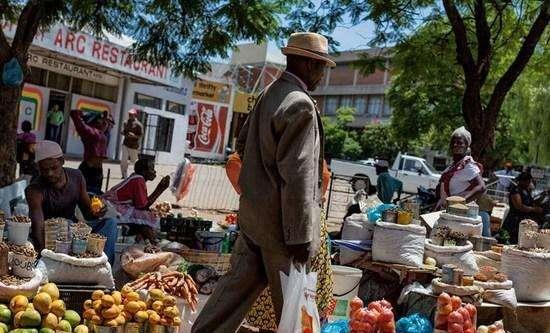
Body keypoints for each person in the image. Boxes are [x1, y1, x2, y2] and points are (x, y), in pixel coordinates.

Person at [191, 32, 335, 333]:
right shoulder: (301, 106)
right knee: (296, 315)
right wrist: (300, 238)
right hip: (283, 231)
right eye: (321, 66)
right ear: (308, 65)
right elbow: (299, 177)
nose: (323, 74)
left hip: (254, 222)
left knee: (229, 299)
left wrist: (258, 186)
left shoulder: (269, 94)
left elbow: (242, 146)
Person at [25, 140, 118, 264]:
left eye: (53, 168)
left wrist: (98, 212)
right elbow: (38, 227)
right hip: (50, 235)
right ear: (39, 168)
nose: (49, 173)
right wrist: (45, 256)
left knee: (110, 223)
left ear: (62, 161)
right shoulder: (34, 189)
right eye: (44, 170)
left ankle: (104, 266)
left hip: (73, 231)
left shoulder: (76, 177)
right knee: (64, 225)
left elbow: (87, 214)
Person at [435, 126, 488, 234]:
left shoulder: (467, 165)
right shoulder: (453, 166)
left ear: (466, 146)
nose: (455, 145)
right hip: (447, 214)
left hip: (458, 217)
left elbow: (481, 187)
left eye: (459, 143)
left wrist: (459, 203)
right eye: (453, 142)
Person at [104, 158, 170, 243]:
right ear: (143, 171)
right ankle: (153, 241)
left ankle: (149, 239)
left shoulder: (136, 178)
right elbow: (142, 206)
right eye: (152, 169)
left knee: (147, 215)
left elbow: (142, 204)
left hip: (111, 205)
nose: (154, 172)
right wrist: (160, 189)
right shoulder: (138, 180)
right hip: (112, 207)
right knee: (148, 217)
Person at [70, 109, 109, 194]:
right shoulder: (88, 131)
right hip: (89, 169)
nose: (102, 121)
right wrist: (79, 114)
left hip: (98, 170)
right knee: (85, 194)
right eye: (100, 119)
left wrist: (104, 116)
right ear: (95, 121)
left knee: (95, 195)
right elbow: (77, 120)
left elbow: (105, 124)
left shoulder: (99, 131)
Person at [501, 172, 544, 244]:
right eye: (528, 181)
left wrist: (542, 196)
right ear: (523, 181)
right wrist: (534, 209)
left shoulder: (526, 191)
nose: (529, 183)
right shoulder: (515, 190)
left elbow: (531, 202)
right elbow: (519, 206)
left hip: (524, 221)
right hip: (514, 221)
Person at [120, 108, 143, 179]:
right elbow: (123, 131)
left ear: (135, 115)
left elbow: (140, 135)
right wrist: (124, 133)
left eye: (131, 114)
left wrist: (134, 136)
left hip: (134, 146)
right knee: (124, 160)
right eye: (129, 114)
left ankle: (139, 173)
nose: (130, 115)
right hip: (125, 144)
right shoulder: (125, 122)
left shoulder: (139, 124)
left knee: (134, 161)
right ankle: (124, 175)